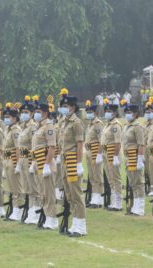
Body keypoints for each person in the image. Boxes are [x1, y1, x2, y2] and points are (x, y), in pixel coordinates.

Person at [58, 89, 86, 237]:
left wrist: (79, 163)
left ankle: (81, 225)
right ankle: (75, 223)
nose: (64, 108)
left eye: (66, 106)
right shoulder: (63, 122)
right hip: (64, 160)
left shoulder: (76, 123)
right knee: (69, 194)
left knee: (76, 193)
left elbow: (80, 144)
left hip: (72, 160)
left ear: (73, 108)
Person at [31, 97, 58, 230]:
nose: (35, 114)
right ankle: (47, 216)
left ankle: (52, 218)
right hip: (39, 163)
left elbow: (52, 147)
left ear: (45, 113)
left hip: (47, 164)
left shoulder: (49, 126)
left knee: (49, 193)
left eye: (38, 111)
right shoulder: (38, 126)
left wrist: (47, 164)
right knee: (42, 192)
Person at [19, 96, 40, 224]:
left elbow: (34, 146)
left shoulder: (33, 127)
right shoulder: (24, 126)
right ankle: (31, 209)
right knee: (26, 187)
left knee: (34, 187)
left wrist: (33, 162)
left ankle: (36, 211)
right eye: (22, 112)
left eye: (26, 112)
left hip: (30, 159)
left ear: (32, 114)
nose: (24, 114)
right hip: (22, 159)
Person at [121, 100, 145, 216]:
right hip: (128, 157)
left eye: (130, 112)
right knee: (132, 182)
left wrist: (140, 159)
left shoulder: (137, 127)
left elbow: (141, 144)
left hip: (135, 157)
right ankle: (134, 206)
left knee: (138, 182)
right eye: (126, 112)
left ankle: (139, 208)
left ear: (136, 114)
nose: (127, 114)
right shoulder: (126, 126)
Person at [2, 103, 24, 221]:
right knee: (11, 187)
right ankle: (14, 210)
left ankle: (18, 210)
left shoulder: (16, 130)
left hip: (13, 160)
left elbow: (17, 148)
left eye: (8, 117)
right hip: (6, 160)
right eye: (5, 117)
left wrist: (17, 164)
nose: (6, 119)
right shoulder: (7, 129)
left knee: (16, 188)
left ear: (15, 118)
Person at [101, 98, 123, 211]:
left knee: (116, 178)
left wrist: (115, 156)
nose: (107, 113)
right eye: (106, 111)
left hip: (112, 153)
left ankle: (118, 202)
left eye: (109, 111)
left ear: (114, 113)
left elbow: (118, 142)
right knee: (110, 178)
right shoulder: (107, 124)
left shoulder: (116, 125)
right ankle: (114, 201)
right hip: (105, 153)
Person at [84, 100, 104, 208]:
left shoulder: (97, 124)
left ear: (95, 113)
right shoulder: (90, 124)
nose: (88, 113)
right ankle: (94, 198)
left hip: (95, 152)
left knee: (97, 176)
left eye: (90, 111)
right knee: (92, 176)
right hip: (88, 152)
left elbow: (101, 140)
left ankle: (98, 199)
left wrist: (99, 154)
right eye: (87, 112)